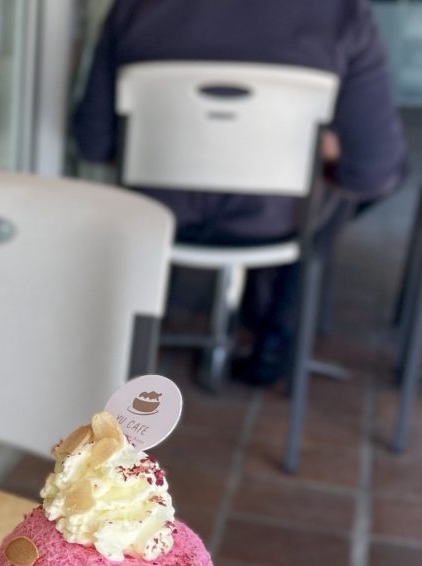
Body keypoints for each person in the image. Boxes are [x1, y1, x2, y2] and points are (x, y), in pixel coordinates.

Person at [73, 0, 408, 386]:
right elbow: (372, 171)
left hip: (158, 218)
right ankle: (277, 335)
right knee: (342, 190)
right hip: (278, 226)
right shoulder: (342, 15)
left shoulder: (134, 9)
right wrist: (314, 149)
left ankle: (156, 328)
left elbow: (93, 143)